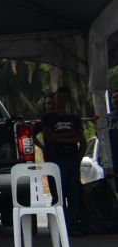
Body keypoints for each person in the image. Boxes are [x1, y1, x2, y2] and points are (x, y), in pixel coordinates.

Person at [40, 86, 87, 235]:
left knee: (74, 194)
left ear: (68, 100)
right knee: (58, 195)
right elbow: (49, 136)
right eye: (58, 97)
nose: (60, 100)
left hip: (72, 160)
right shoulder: (48, 118)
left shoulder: (74, 118)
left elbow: (81, 139)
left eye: (64, 97)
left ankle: (72, 225)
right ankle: (61, 226)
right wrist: (69, 136)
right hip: (55, 161)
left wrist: (77, 159)